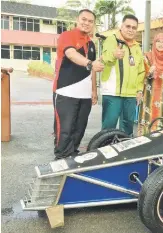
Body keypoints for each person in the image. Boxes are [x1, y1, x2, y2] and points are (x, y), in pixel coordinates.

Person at [53, 9, 104, 159]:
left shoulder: (91, 43)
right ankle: (61, 156)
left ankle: (73, 154)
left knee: (79, 128)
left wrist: (94, 91)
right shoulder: (67, 36)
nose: (86, 23)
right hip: (66, 91)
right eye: (84, 19)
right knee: (65, 128)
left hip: (85, 94)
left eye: (90, 21)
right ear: (77, 19)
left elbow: (92, 70)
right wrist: (89, 63)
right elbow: (71, 54)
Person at [100, 14, 145, 136]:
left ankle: (124, 153)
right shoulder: (111, 40)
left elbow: (141, 71)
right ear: (121, 26)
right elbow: (104, 58)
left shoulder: (137, 47)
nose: (131, 30)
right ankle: (105, 151)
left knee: (128, 128)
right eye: (128, 26)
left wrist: (139, 90)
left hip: (131, 94)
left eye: (134, 27)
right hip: (113, 92)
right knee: (108, 127)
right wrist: (114, 54)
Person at [138, 33, 163, 135]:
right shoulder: (147, 56)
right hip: (148, 98)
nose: (160, 44)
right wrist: (149, 72)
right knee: (146, 123)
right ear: (154, 43)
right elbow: (140, 75)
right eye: (158, 41)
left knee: (162, 122)